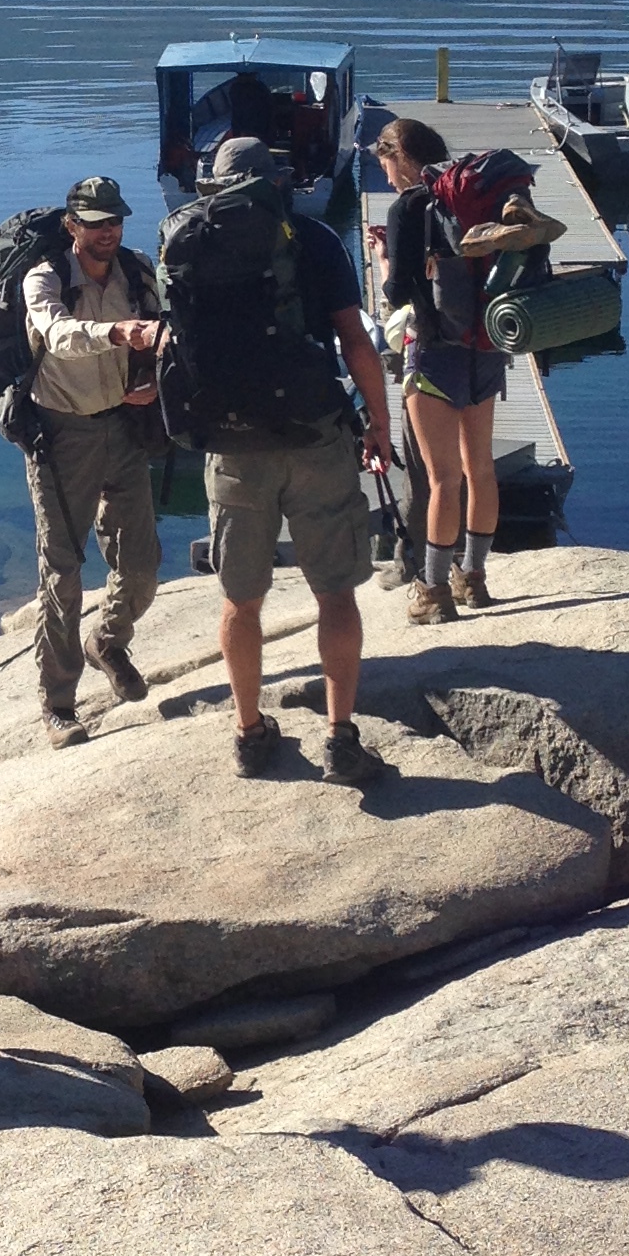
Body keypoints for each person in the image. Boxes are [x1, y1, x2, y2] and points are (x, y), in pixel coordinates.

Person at [191, 135, 396, 788]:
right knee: (334, 592)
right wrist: (380, 423)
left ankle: (250, 735)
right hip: (314, 436)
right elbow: (356, 343)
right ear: (279, 181)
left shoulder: (187, 241)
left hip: (232, 446)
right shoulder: (315, 241)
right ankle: (340, 739)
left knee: (240, 599)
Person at [370, 119, 564, 619]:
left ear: (401, 157)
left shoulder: (409, 207)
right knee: (480, 469)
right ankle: (474, 580)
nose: (388, 178)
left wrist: (383, 258)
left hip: (434, 350)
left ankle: (433, 591)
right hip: (487, 345)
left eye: (386, 165)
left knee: (441, 480)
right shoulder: (470, 199)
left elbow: (396, 296)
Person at [22, 175, 165, 749]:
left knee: (143, 564)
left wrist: (152, 377)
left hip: (124, 428)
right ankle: (58, 705)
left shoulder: (136, 270)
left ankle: (107, 641)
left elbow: (162, 330)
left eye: (116, 221)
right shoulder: (45, 276)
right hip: (62, 434)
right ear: (72, 225)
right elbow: (56, 335)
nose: (109, 232)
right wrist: (116, 333)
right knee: (63, 572)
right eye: (96, 223)